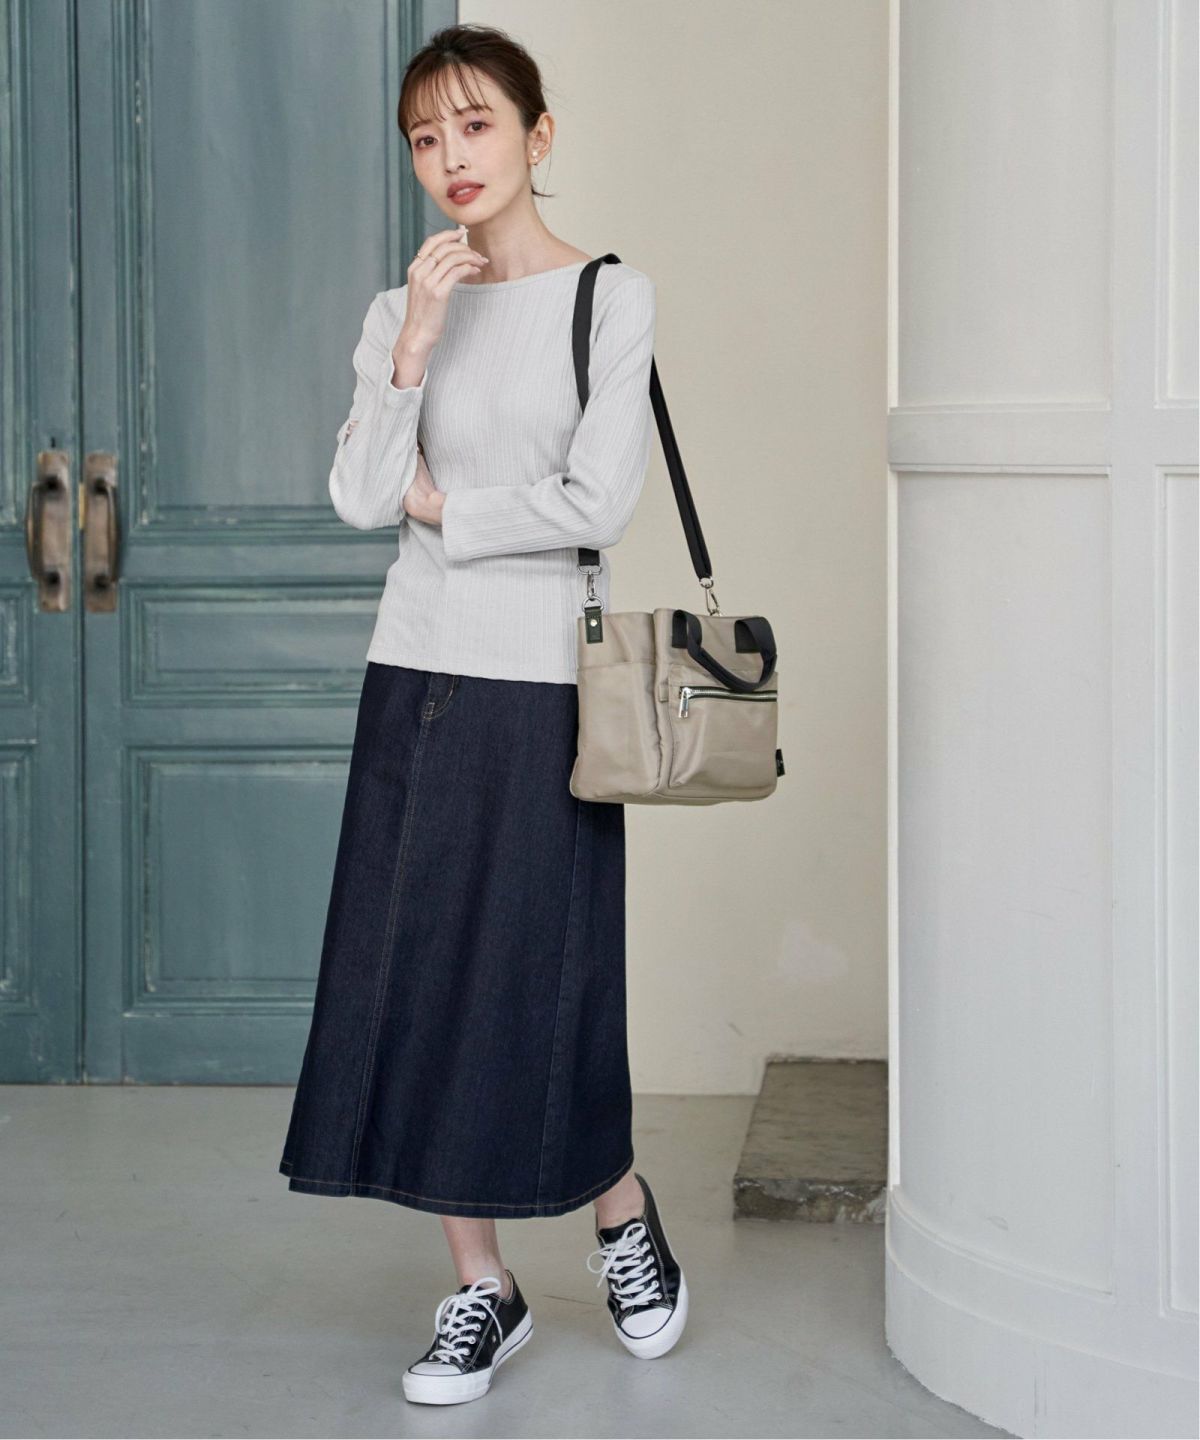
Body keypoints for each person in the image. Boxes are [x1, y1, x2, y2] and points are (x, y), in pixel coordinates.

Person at [277, 22, 688, 1405]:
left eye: (476, 125)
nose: (450, 157)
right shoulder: (402, 309)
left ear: (537, 134)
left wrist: (445, 508)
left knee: (547, 974)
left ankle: (620, 1212)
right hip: (416, 669)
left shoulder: (608, 299)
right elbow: (355, 497)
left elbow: (598, 503)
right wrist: (414, 344)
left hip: (550, 683)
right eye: (425, 137)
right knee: (416, 975)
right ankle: (481, 1286)